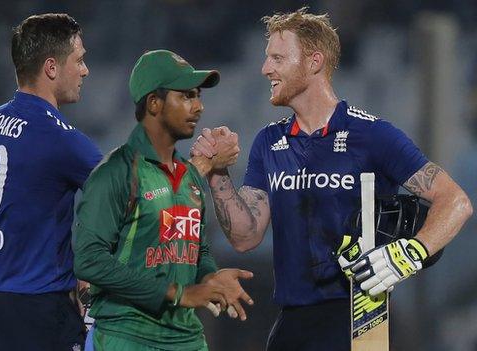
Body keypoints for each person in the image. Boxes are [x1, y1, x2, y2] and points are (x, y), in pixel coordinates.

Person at [191, 7, 473, 351]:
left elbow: (456, 202)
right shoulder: (269, 141)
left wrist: (411, 252)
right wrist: (218, 173)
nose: (266, 69)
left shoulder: (372, 135)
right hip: (292, 320)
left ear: (314, 61)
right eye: (267, 59)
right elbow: (246, 237)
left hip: (361, 316)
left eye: (278, 58)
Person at [72, 49, 254, 351]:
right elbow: (88, 260)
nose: (198, 106)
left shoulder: (190, 177)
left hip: (186, 339)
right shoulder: (115, 172)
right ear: (154, 103)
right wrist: (178, 293)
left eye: (197, 96)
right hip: (126, 336)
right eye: (185, 96)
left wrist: (210, 277)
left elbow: (198, 249)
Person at [0, 13, 102, 351]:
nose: (85, 70)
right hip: (39, 312)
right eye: (80, 60)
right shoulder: (60, 138)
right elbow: (127, 195)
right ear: (52, 68)